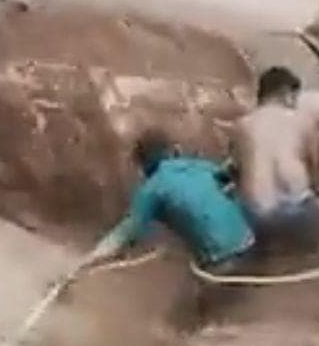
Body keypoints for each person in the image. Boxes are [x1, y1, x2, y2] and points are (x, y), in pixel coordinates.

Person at [79, 130, 259, 327]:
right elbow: (231, 174)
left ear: (142, 164)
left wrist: (82, 265)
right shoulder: (201, 167)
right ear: (174, 151)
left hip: (221, 264)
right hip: (251, 247)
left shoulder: (153, 188)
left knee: (176, 327)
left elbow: (120, 237)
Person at [234, 66, 319, 251]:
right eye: (295, 97)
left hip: (258, 216)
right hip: (297, 212)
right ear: (286, 93)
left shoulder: (241, 126)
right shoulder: (304, 121)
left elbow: (238, 173)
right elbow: (316, 176)